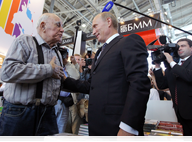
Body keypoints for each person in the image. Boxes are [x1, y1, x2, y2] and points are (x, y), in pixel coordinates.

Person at [62, 12, 151, 141]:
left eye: (95, 26)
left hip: (118, 126)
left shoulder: (128, 41)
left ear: (108, 22)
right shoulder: (100, 52)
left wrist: (128, 127)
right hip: (98, 126)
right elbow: (91, 85)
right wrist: (64, 81)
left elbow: (139, 84)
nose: (93, 31)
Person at [0, 13, 65, 141]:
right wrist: (48, 69)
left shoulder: (56, 53)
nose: (62, 29)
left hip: (47, 114)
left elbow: (60, 79)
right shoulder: (24, 41)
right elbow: (8, 71)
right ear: (43, 26)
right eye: (58, 25)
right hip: (20, 113)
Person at [152, 38, 192, 141]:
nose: (180, 48)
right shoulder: (174, 66)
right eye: (178, 46)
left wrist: (172, 62)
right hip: (181, 112)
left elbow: (190, 76)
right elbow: (162, 85)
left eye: (183, 46)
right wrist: (157, 66)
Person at [54, 47, 80, 133]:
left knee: (62, 130)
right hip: (54, 101)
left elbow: (76, 77)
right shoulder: (52, 64)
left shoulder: (68, 66)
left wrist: (67, 63)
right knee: (51, 128)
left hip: (65, 102)